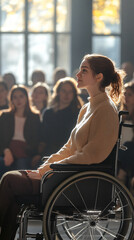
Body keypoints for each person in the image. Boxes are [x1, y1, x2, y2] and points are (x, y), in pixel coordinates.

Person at [0, 54, 124, 240]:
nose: (78, 74)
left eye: (84, 70)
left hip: (76, 180)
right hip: (64, 173)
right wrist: (45, 168)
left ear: (98, 77)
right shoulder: (88, 107)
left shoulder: (105, 109)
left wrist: (49, 170)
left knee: (10, 179)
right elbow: (69, 147)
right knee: (12, 180)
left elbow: (91, 155)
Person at [38, 77, 83, 161]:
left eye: (70, 92)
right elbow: (43, 137)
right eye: (64, 91)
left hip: (69, 153)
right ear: (58, 92)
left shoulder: (78, 113)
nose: (67, 94)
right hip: (48, 152)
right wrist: (38, 154)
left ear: (74, 94)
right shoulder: (48, 113)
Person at [0, 85, 40, 179]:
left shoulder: (34, 117)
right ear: (11, 100)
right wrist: (6, 150)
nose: (18, 100)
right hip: (7, 150)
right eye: (15, 97)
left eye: (21, 96)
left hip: (25, 152)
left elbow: (36, 140)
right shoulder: (5, 116)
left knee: (21, 164)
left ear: (27, 98)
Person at [117, 81, 134, 188]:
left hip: (130, 152)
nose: (126, 97)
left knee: (128, 146)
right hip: (122, 150)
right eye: (125, 94)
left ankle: (121, 177)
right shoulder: (121, 114)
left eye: (130, 94)